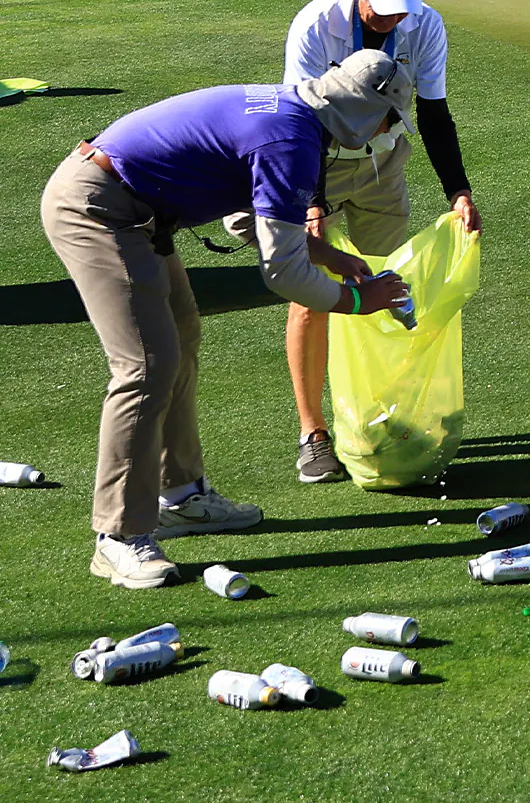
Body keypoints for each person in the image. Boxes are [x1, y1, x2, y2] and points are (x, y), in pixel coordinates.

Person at [40, 52, 414, 589]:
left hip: (135, 206)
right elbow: (281, 274)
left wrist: (327, 256)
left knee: (181, 335)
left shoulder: (293, 115)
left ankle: (182, 495)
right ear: (362, 111)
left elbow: (246, 216)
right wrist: (360, 300)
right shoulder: (292, 141)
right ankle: (118, 536)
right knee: (146, 365)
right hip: (99, 208)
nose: (388, 132)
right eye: (389, 119)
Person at [277, 0, 480, 484]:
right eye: (383, 2)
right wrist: (312, 202)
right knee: (312, 297)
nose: (394, 14)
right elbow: (298, 119)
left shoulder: (426, 24)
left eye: (403, 2)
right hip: (314, 162)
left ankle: (382, 416)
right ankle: (313, 433)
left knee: (386, 288)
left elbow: (435, 113)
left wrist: (456, 190)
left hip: (383, 165)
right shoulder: (317, 23)